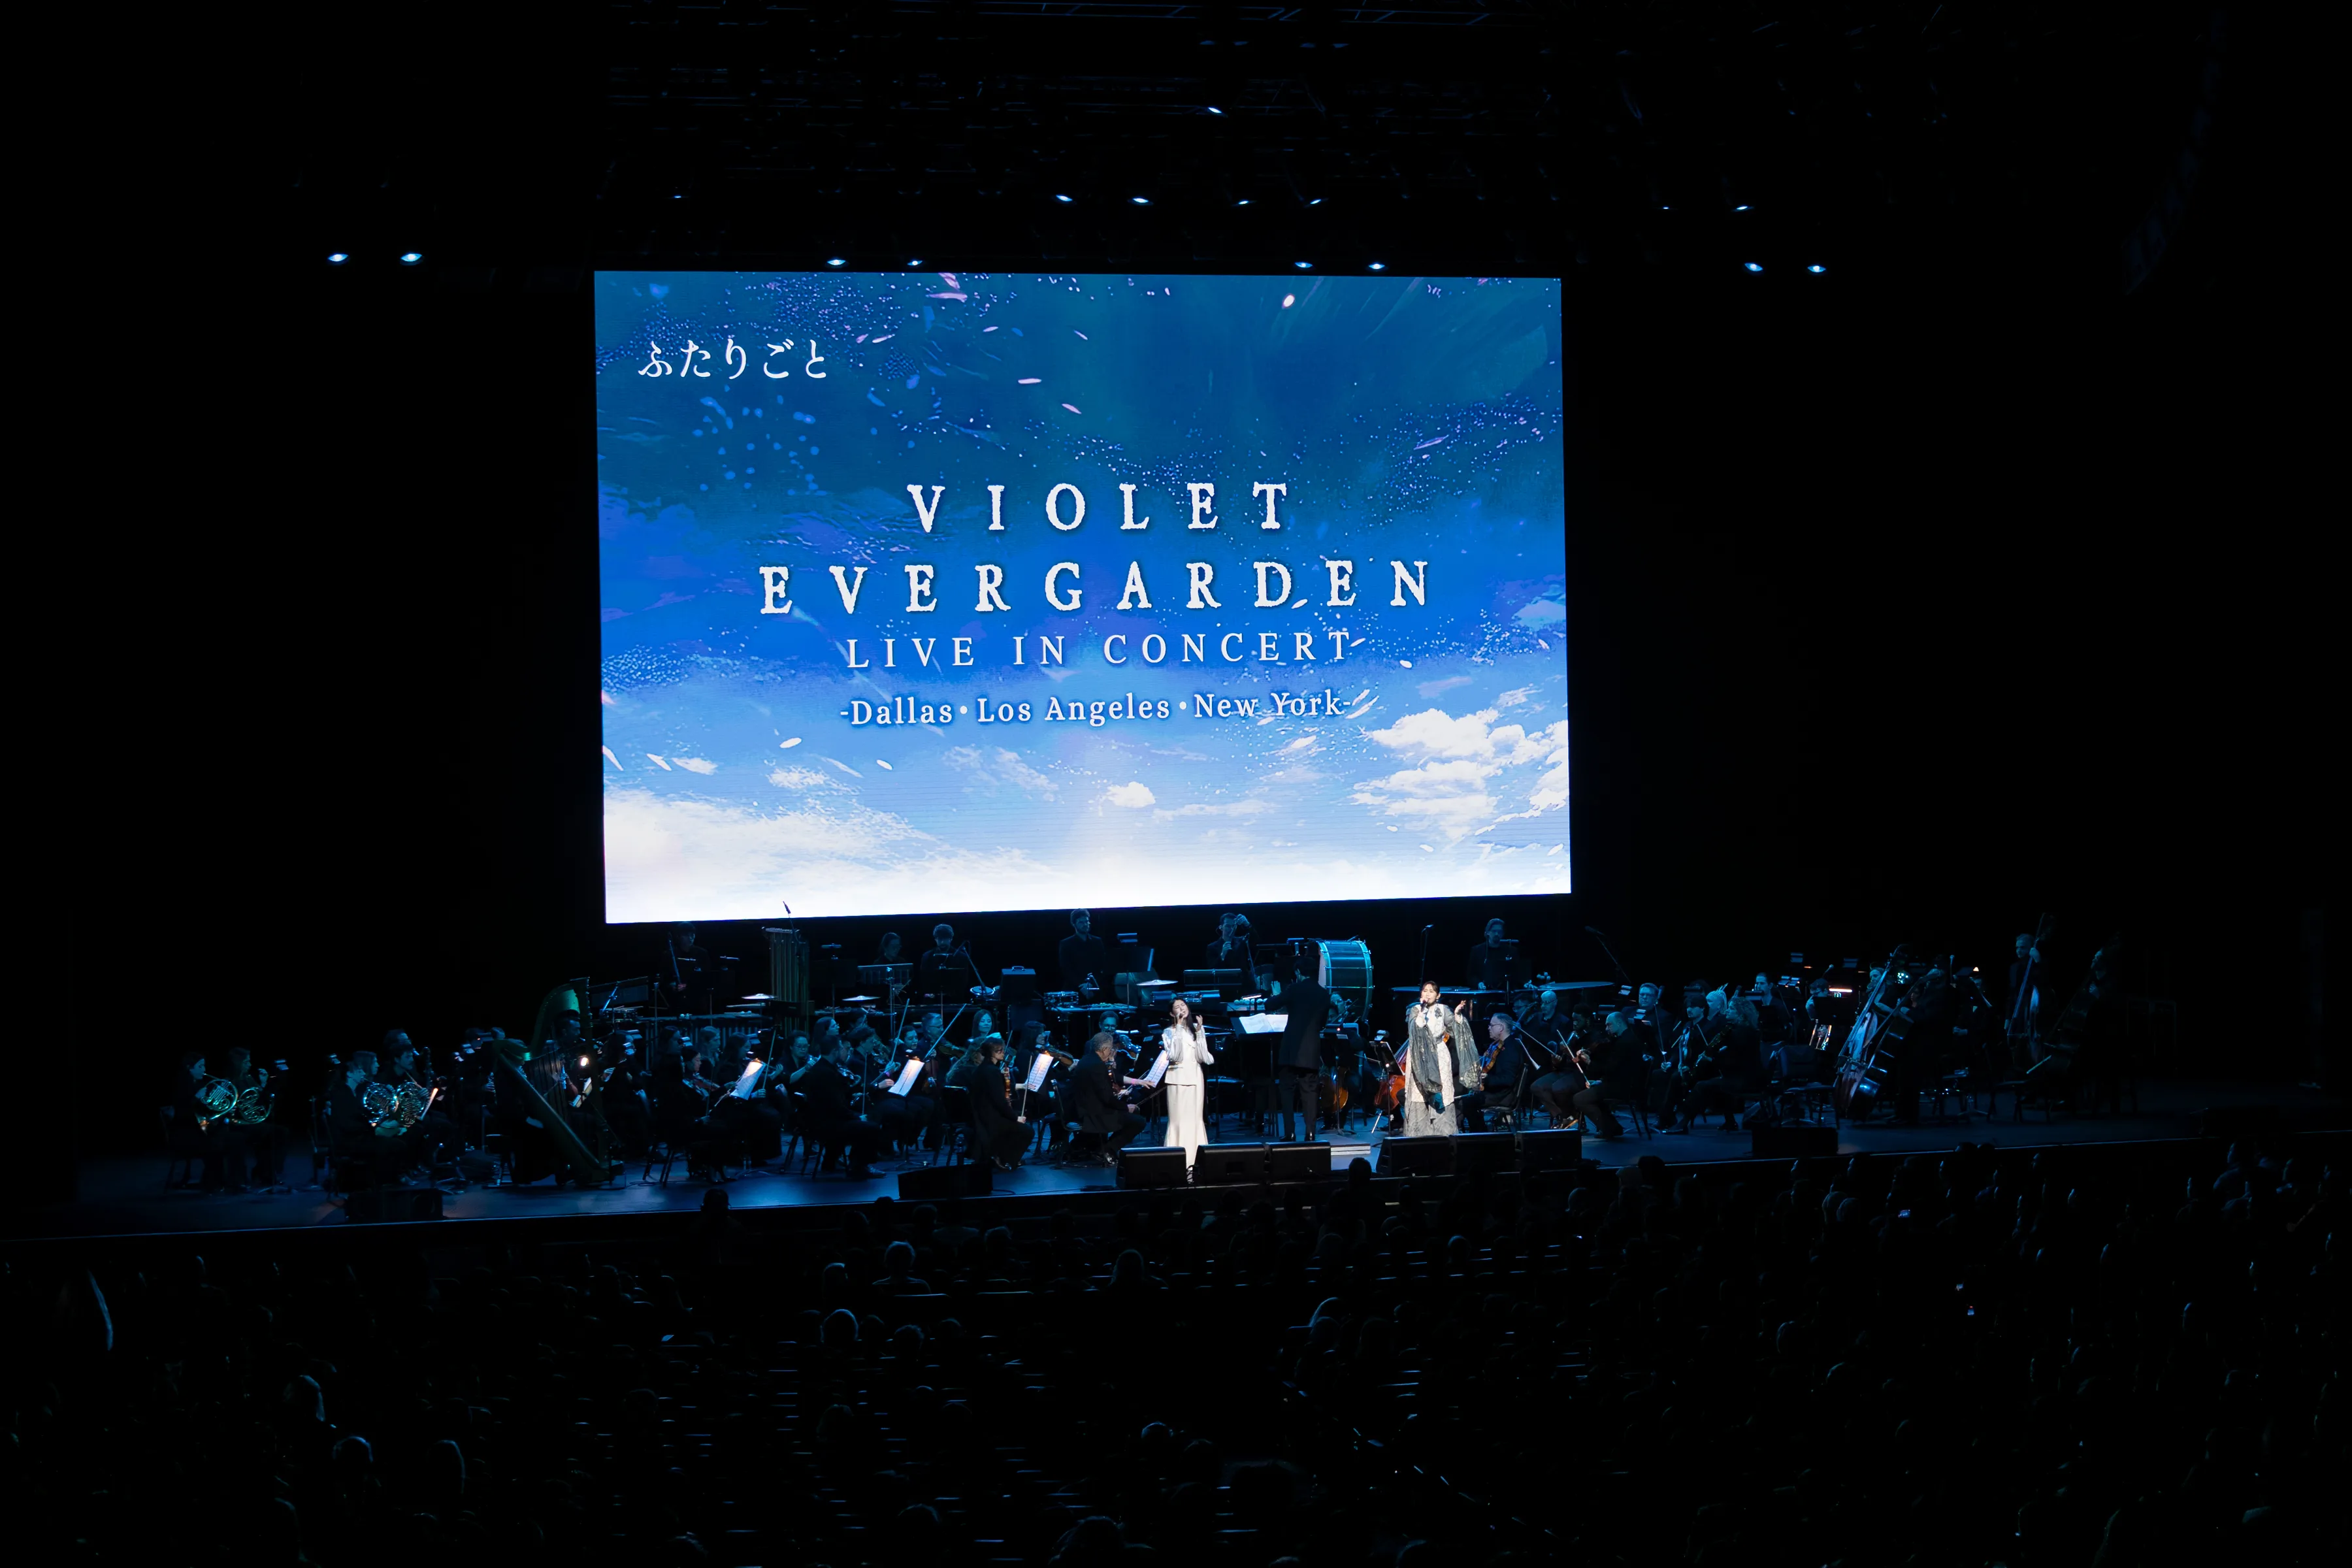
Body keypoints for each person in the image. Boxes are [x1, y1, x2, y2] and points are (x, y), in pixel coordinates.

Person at [791, 1038, 883, 1177]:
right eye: (841, 1048)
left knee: (865, 1119)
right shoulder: (826, 1073)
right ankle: (859, 1167)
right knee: (871, 1127)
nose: (844, 1051)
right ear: (835, 1051)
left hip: (821, 1119)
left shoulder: (823, 1067)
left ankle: (830, 1162)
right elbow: (835, 1106)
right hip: (826, 1124)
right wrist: (857, 1117)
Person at [1401, 983, 1478, 1137]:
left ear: (1438, 996)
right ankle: (1418, 1136)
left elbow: (1456, 1030)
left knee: (1441, 1093)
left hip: (1439, 1055)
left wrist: (1457, 1017)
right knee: (1419, 1093)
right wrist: (1422, 1012)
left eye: (1431, 991)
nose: (1427, 994)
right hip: (1419, 1056)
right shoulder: (1415, 1009)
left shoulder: (1443, 1010)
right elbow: (1414, 1029)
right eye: (1425, 991)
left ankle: (1443, 1136)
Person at [325, 1049, 408, 1188]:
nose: (364, 1074)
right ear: (349, 1074)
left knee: (397, 1144)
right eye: (359, 1071)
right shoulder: (340, 1094)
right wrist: (372, 1125)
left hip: (360, 1137)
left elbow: (364, 1115)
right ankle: (380, 1182)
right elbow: (346, 1124)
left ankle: (386, 1180)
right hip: (349, 1142)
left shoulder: (357, 1092)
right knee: (392, 1146)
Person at [171, 1051, 249, 1192]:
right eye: (200, 1067)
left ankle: (235, 1181)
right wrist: (196, 1098)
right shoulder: (181, 1087)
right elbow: (183, 1115)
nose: (204, 1070)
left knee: (237, 1138)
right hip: (188, 1134)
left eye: (204, 1066)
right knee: (219, 1142)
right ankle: (214, 1183)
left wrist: (226, 1110)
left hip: (204, 1132)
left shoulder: (201, 1085)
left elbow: (209, 1111)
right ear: (189, 1068)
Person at [1275, 953, 1333, 1142]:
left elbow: (1270, 1004)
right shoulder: (1324, 994)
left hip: (1291, 1050)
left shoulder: (1294, 989)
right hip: (1311, 1051)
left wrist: (1276, 994)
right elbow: (1322, 1023)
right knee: (1310, 1091)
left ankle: (1290, 1133)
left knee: (1287, 1090)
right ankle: (1310, 1133)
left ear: (1299, 972)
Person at [948, 1034, 1028, 1169]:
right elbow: (998, 1101)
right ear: (991, 1053)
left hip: (978, 1115)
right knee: (1026, 1130)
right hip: (985, 1118)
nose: (1003, 1053)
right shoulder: (988, 1072)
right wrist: (1015, 1118)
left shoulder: (980, 1069)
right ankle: (1005, 1158)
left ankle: (1001, 1156)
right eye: (999, 1051)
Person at [1066, 1031, 1144, 1162]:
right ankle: (1107, 1151)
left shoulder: (1086, 1060)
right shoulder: (1097, 1065)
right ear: (1104, 1049)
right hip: (1094, 1114)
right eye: (1111, 1048)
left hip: (1084, 1108)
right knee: (1138, 1121)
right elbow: (1107, 1098)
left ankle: (1102, 1149)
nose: (1112, 1051)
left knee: (1129, 1115)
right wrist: (1126, 1107)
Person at [1159, 997, 1216, 1170]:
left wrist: (1200, 1033)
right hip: (1178, 1079)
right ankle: (1176, 1163)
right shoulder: (1169, 1032)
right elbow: (1175, 1056)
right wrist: (1178, 1028)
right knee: (1179, 1121)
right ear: (1172, 1013)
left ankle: (1197, 1162)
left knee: (1195, 1121)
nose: (1182, 1008)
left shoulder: (1196, 1030)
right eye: (1177, 1007)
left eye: (1183, 1005)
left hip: (1196, 1078)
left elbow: (1204, 1058)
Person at [1571, 1011, 1643, 1140]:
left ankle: (1609, 1128)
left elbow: (1610, 1069)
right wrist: (1601, 1082)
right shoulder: (1627, 1038)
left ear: (1619, 1023)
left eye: (1609, 1025)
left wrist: (1589, 1062)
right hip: (1621, 1083)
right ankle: (1612, 1127)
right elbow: (1616, 1070)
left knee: (1579, 1099)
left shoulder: (1624, 1043)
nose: (1606, 1029)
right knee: (1590, 1092)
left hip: (1622, 1087)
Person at [1058, 909, 1112, 992]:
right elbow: (1066, 969)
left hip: (1095, 987)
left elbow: (1103, 966)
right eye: (1081, 922)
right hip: (1074, 988)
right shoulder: (1066, 944)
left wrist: (1091, 984)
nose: (1085, 925)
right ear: (1074, 924)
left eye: (1087, 922)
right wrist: (1081, 985)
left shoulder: (1097, 942)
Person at [915, 923, 972, 1000]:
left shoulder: (961, 957)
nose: (942, 942)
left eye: (945, 939)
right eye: (939, 939)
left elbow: (964, 981)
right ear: (935, 939)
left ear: (951, 939)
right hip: (932, 999)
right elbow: (923, 979)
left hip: (955, 999)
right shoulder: (927, 956)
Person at [1466, 918, 1516, 993]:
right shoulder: (1477, 951)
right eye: (1494, 931)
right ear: (1488, 933)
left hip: (1505, 992)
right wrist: (1478, 983)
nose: (1497, 934)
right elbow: (1471, 974)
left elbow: (1517, 973)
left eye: (1500, 932)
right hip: (1484, 993)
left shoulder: (1511, 951)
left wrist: (1524, 983)